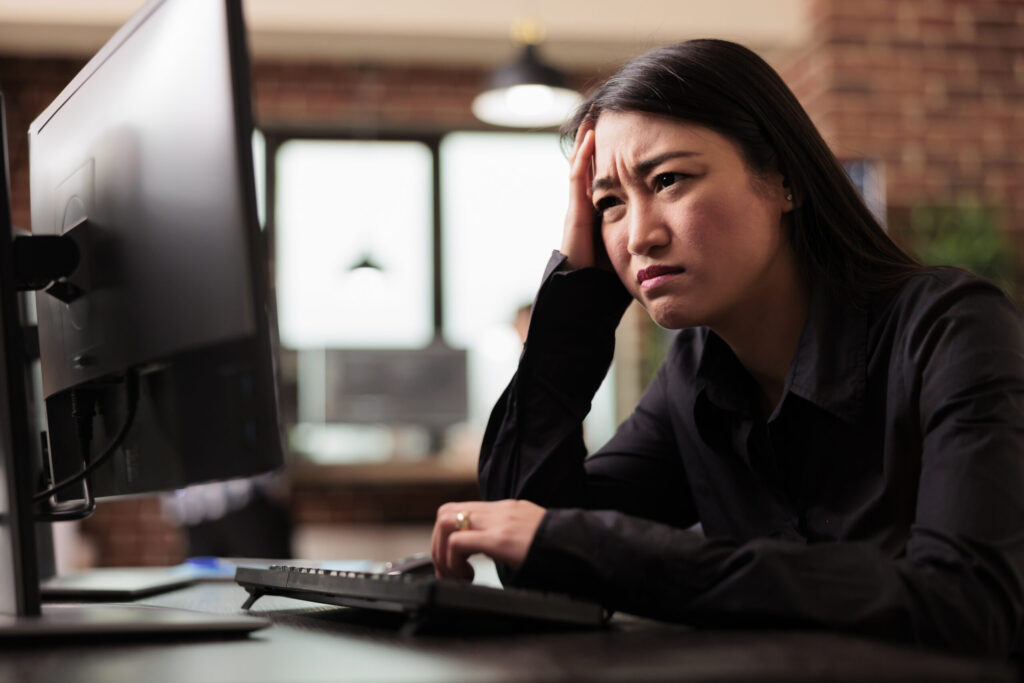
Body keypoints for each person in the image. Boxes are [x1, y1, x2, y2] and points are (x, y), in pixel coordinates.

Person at [429, 39, 1024, 656]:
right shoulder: (695, 373)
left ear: (785, 179)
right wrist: (574, 306)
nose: (638, 235)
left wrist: (603, 550)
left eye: (668, 180)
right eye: (609, 203)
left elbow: (969, 605)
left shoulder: (951, 328)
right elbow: (537, 555)